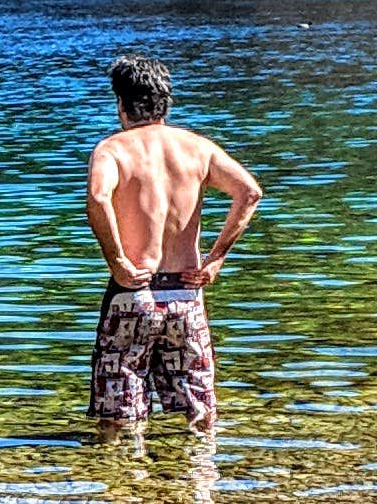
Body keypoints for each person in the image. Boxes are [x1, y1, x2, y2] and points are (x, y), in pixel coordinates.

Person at [83, 55, 260, 434]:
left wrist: (116, 259)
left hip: (134, 293)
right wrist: (215, 259)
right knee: (198, 415)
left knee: (119, 419)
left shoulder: (112, 150)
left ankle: (127, 486)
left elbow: (98, 198)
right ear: (166, 101)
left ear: (121, 104)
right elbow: (249, 193)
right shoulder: (197, 148)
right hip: (185, 296)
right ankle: (199, 488)